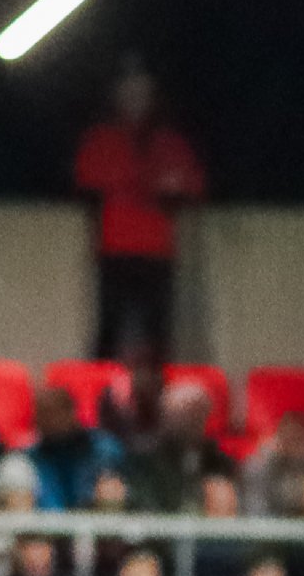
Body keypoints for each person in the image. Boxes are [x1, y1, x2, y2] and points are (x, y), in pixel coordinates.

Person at [71, 67, 205, 363]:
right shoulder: (102, 139)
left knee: (159, 336)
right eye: (129, 93)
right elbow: (85, 182)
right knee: (109, 331)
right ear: (118, 97)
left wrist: (164, 189)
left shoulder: (170, 143)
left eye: (142, 94)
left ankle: (157, 388)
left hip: (157, 252)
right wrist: (143, 184)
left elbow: (193, 187)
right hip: (114, 249)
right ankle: (101, 385)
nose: (136, 100)